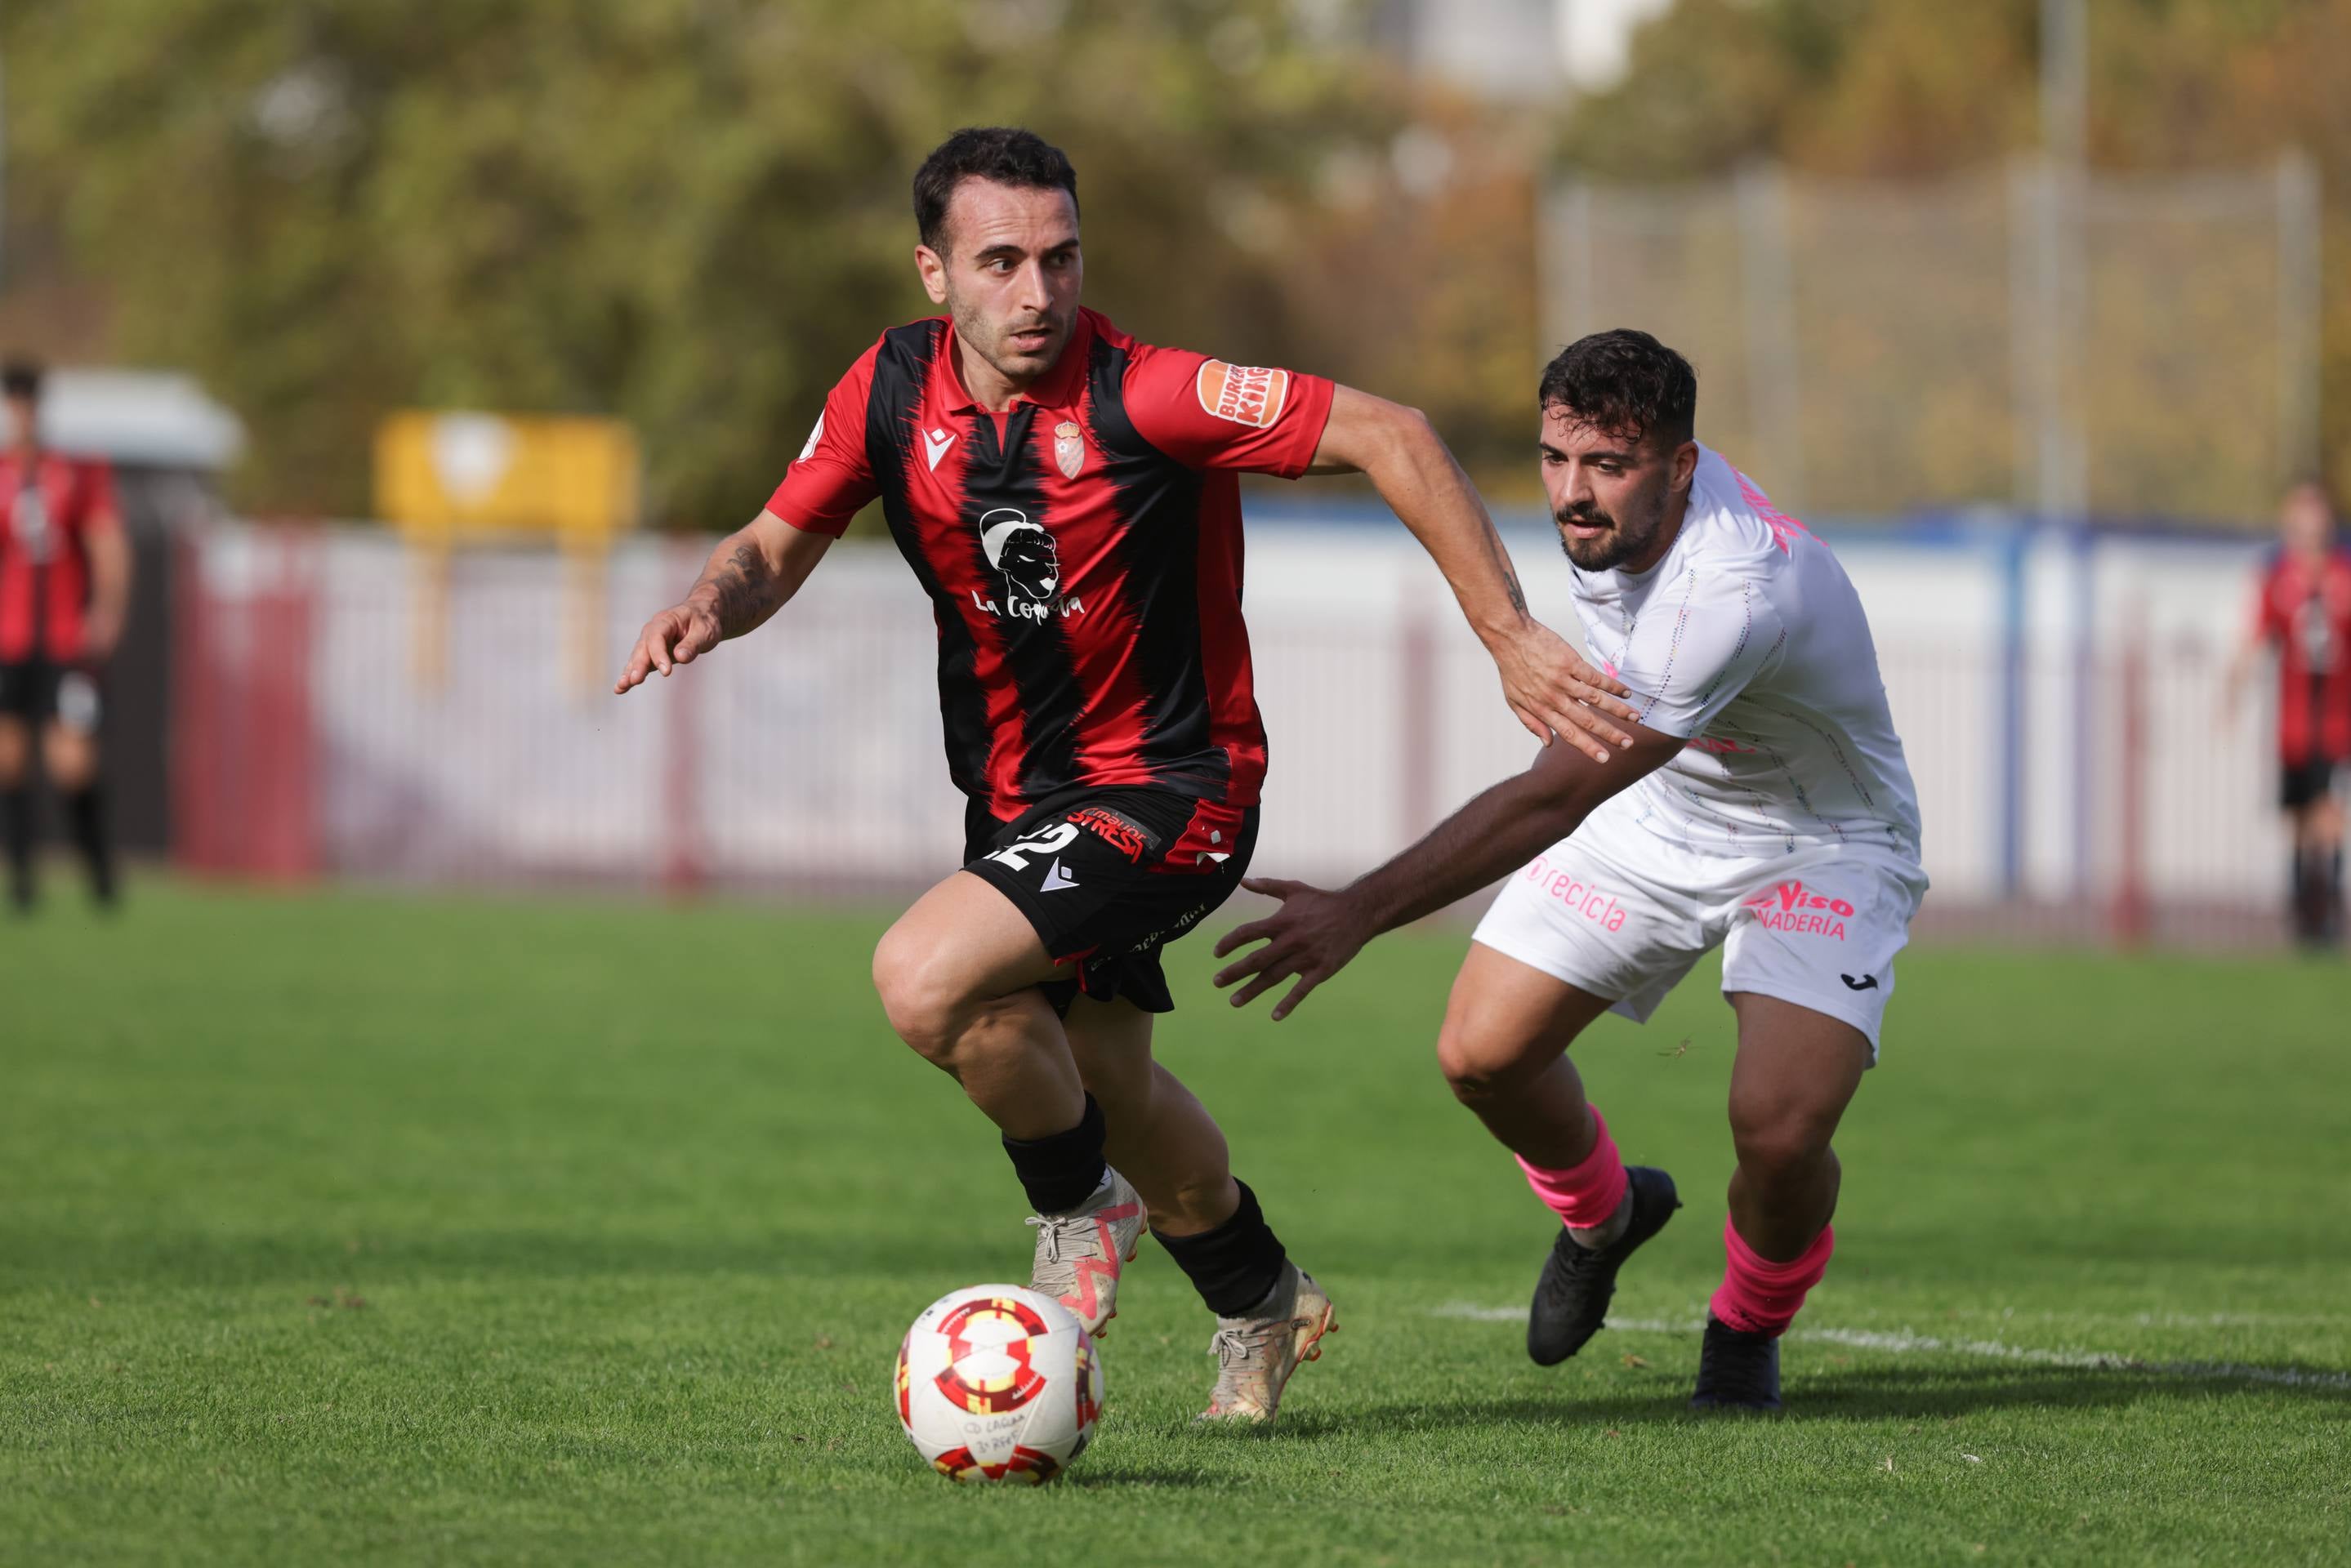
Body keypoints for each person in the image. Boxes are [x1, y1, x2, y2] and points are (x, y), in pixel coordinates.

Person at [613, 128, 1635, 1423]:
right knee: (1104, 1081)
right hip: (1020, 802)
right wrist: (710, 602)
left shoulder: (1149, 394)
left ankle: (1078, 1208)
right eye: (1000, 262)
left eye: (1060, 257)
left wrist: (1507, 634)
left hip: (1173, 790)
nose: (1037, 293)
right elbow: (772, 541)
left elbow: (1392, 432)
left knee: (924, 977)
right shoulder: (886, 390)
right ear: (934, 273)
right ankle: (1259, 1296)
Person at [1213, 330, 1926, 1411]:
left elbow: (1555, 793)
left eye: (1607, 466)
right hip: (1664, 806)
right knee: (1479, 1055)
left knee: (1778, 1129)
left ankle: (1745, 1321)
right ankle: (1605, 1216)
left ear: (1680, 469)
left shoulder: (1733, 590)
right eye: (1555, 459)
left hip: (1819, 838)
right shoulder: (1614, 520)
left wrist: (1359, 910)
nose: (1572, 494)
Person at [0, 357, 132, 912]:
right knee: (7, 759)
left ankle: (100, 875)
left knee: (71, 760)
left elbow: (107, 543)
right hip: (8, 639)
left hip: (64, 640)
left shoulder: (76, 471)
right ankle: (23, 883)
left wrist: (106, 611)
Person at [2230, 482, 2349, 947]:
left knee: (2330, 815)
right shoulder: (2277, 579)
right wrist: (2231, 693)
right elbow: (2255, 637)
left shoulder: (2343, 576)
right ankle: (2302, 911)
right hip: (2293, 727)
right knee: (2300, 821)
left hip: (2338, 726)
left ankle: (2330, 911)